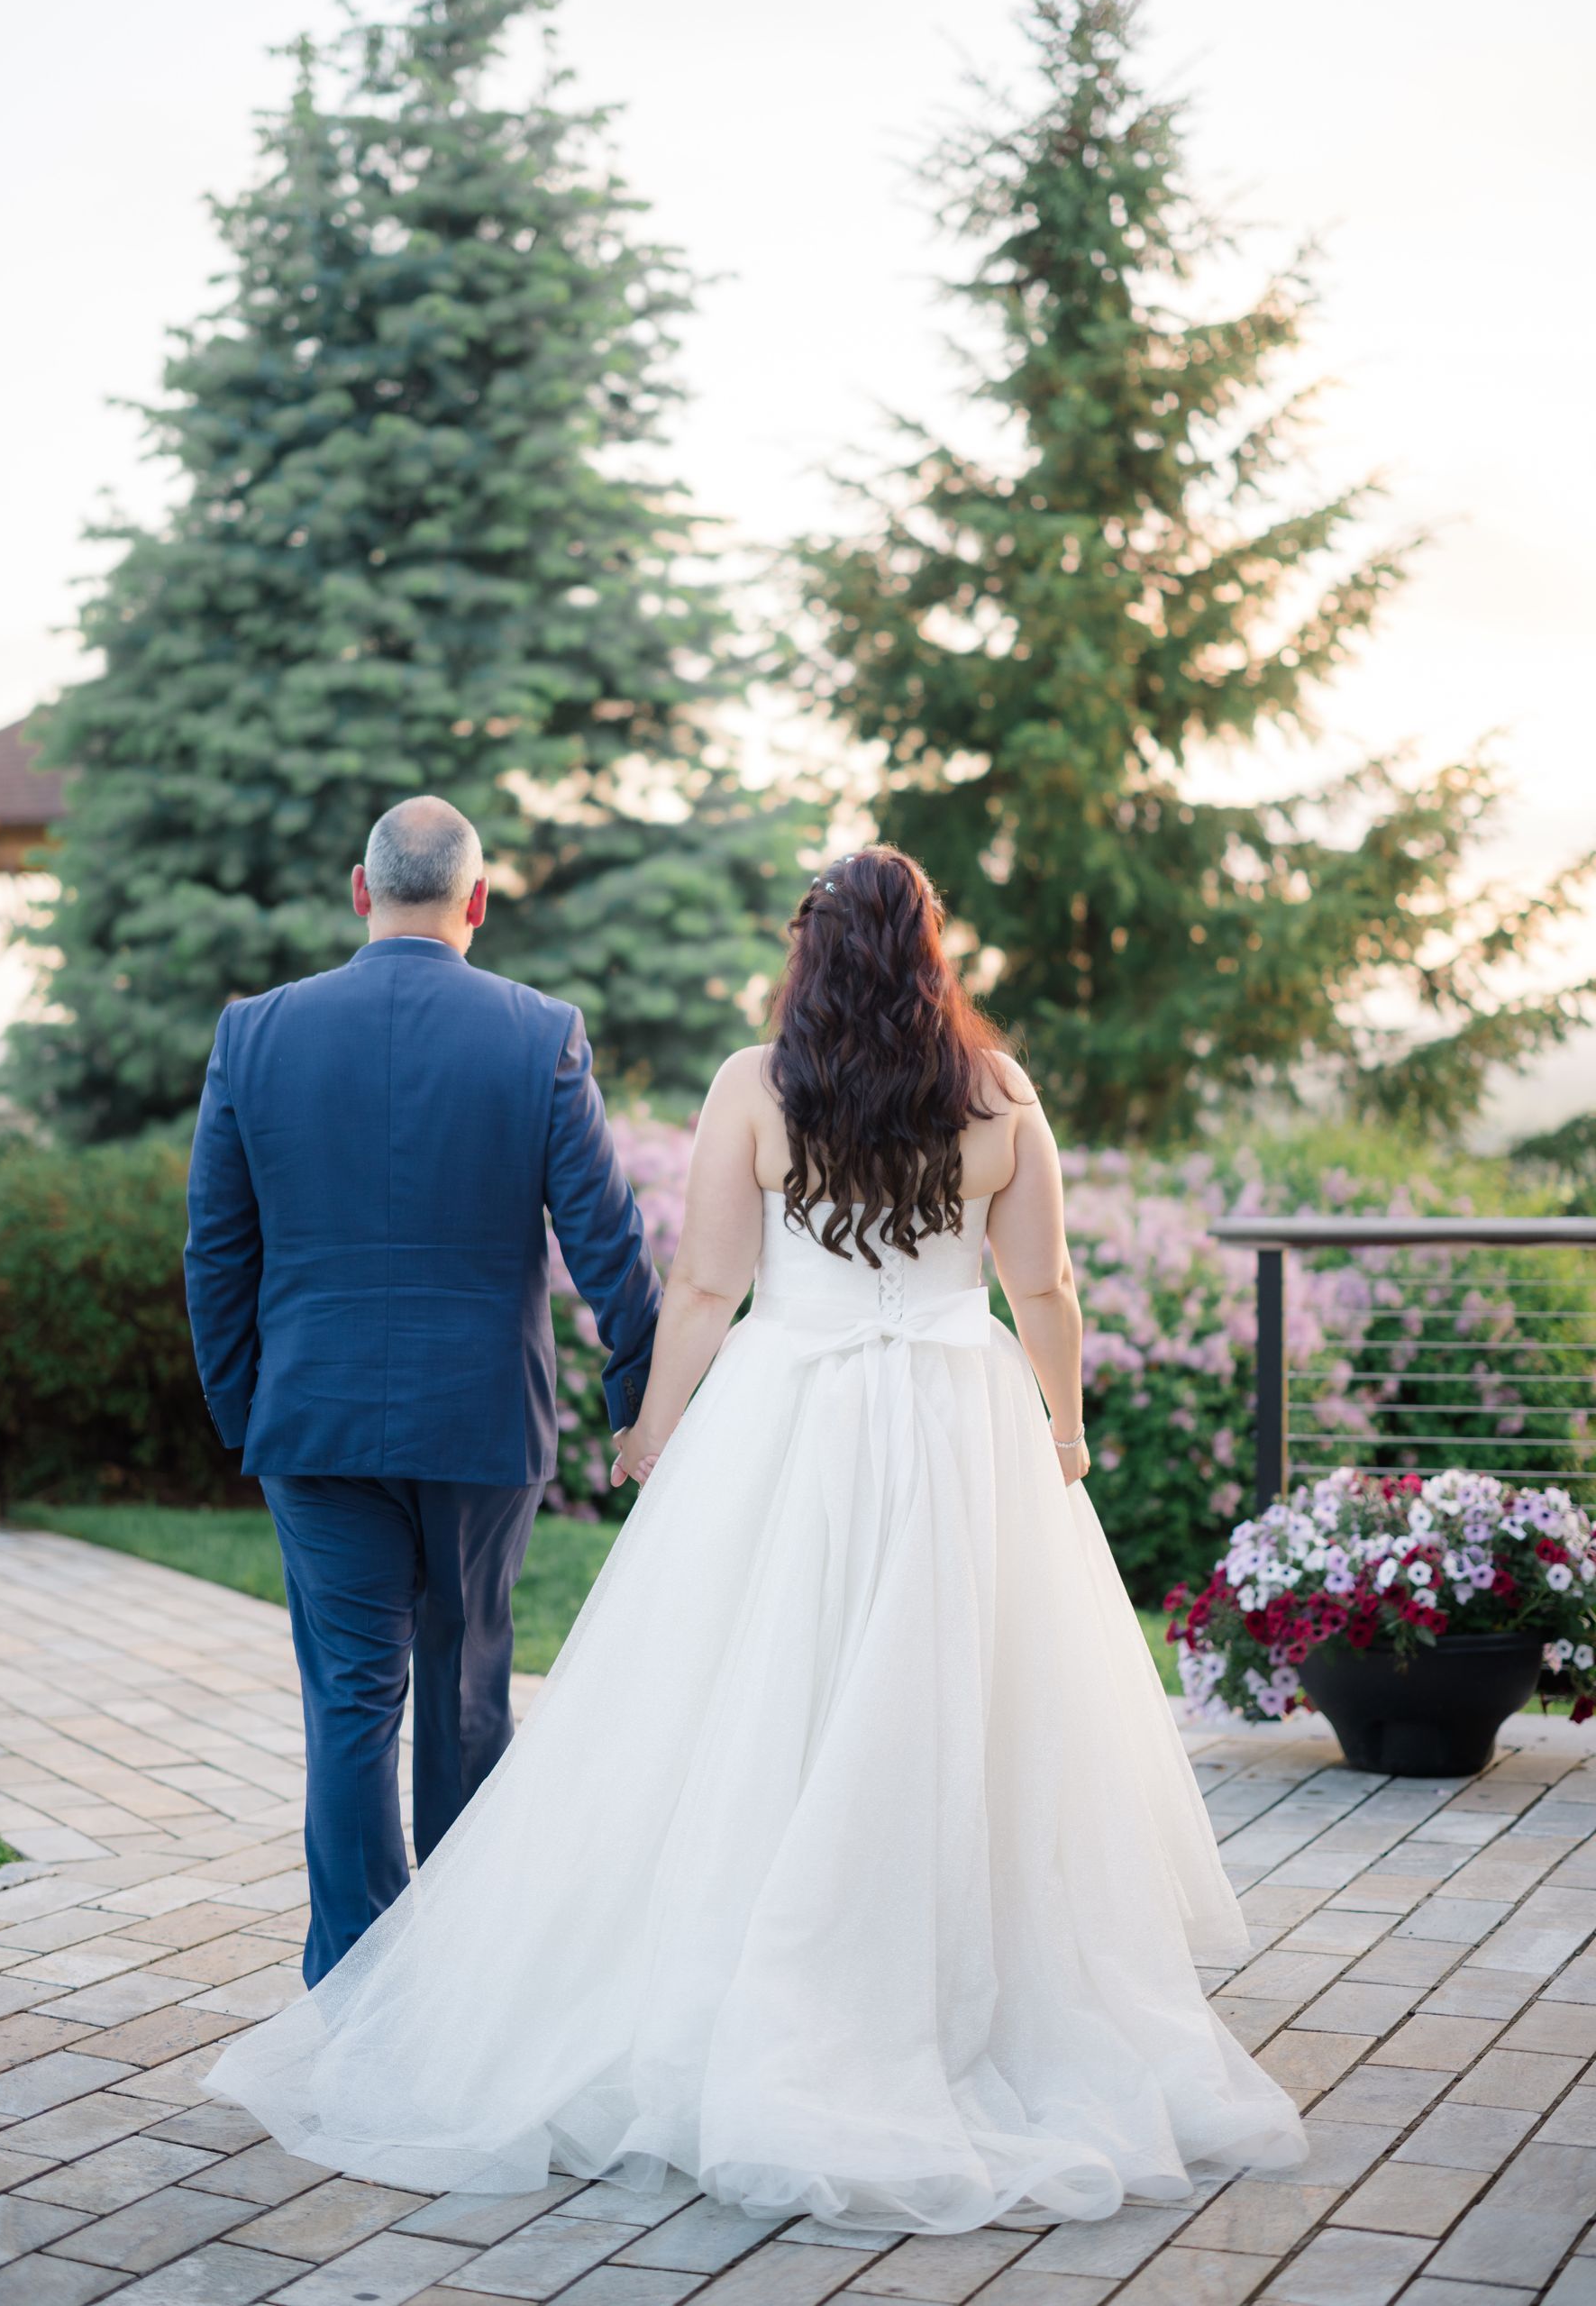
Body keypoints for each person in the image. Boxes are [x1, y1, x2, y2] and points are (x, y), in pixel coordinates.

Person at [208, 845, 1307, 2229]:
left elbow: (708, 1282)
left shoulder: (755, 1084)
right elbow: (1048, 1290)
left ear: (811, 952)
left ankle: (648, 1973)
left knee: (750, 1697)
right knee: (958, 1709)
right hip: (959, 1426)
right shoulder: (1000, 1093)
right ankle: (947, 1983)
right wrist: (1066, 1434)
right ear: (932, 951)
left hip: (793, 1412)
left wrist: (657, 1431)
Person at [184, 796, 661, 1985]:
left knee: (351, 1701)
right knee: (462, 1697)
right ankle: (456, 1984)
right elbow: (607, 1245)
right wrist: (643, 1403)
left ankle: (353, 1978)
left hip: (314, 1421)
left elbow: (215, 1252)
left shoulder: (256, 1034)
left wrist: (248, 1409)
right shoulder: (537, 1033)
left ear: (361, 889)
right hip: (481, 1423)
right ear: (477, 903)